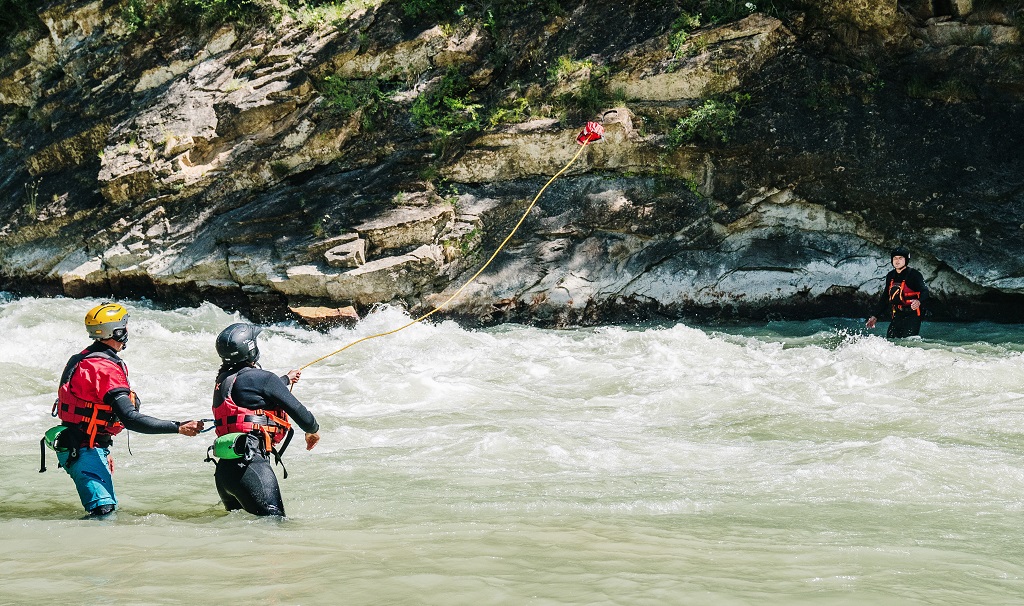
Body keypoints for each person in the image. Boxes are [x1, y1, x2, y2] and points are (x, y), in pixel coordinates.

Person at [52, 302, 203, 517]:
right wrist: (178, 427)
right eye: (124, 326)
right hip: (84, 449)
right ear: (117, 332)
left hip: (81, 444)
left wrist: (103, 448)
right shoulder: (104, 369)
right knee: (103, 513)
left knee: (105, 512)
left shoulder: (84, 358)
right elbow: (130, 418)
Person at [210, 322, 320, 517]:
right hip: (251, 469)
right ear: (251, 349)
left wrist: (285, 379)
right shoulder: (264, 379)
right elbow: (303, 416)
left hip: (224, 474)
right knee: (275, 528)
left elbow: (252, 392)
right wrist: (313, 430)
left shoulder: (223, 380)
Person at [865, 246, 929, 338]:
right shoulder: (890, 275)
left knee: (908, 341)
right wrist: (875, 316)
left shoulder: (915, 275)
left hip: (913, 314)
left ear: (906, 260)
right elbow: (885, 297)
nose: (897, 261)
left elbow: (925, 291)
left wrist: (918, 301)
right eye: (895, 258)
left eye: (900, 258)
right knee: (890, 339)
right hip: (898, 313)